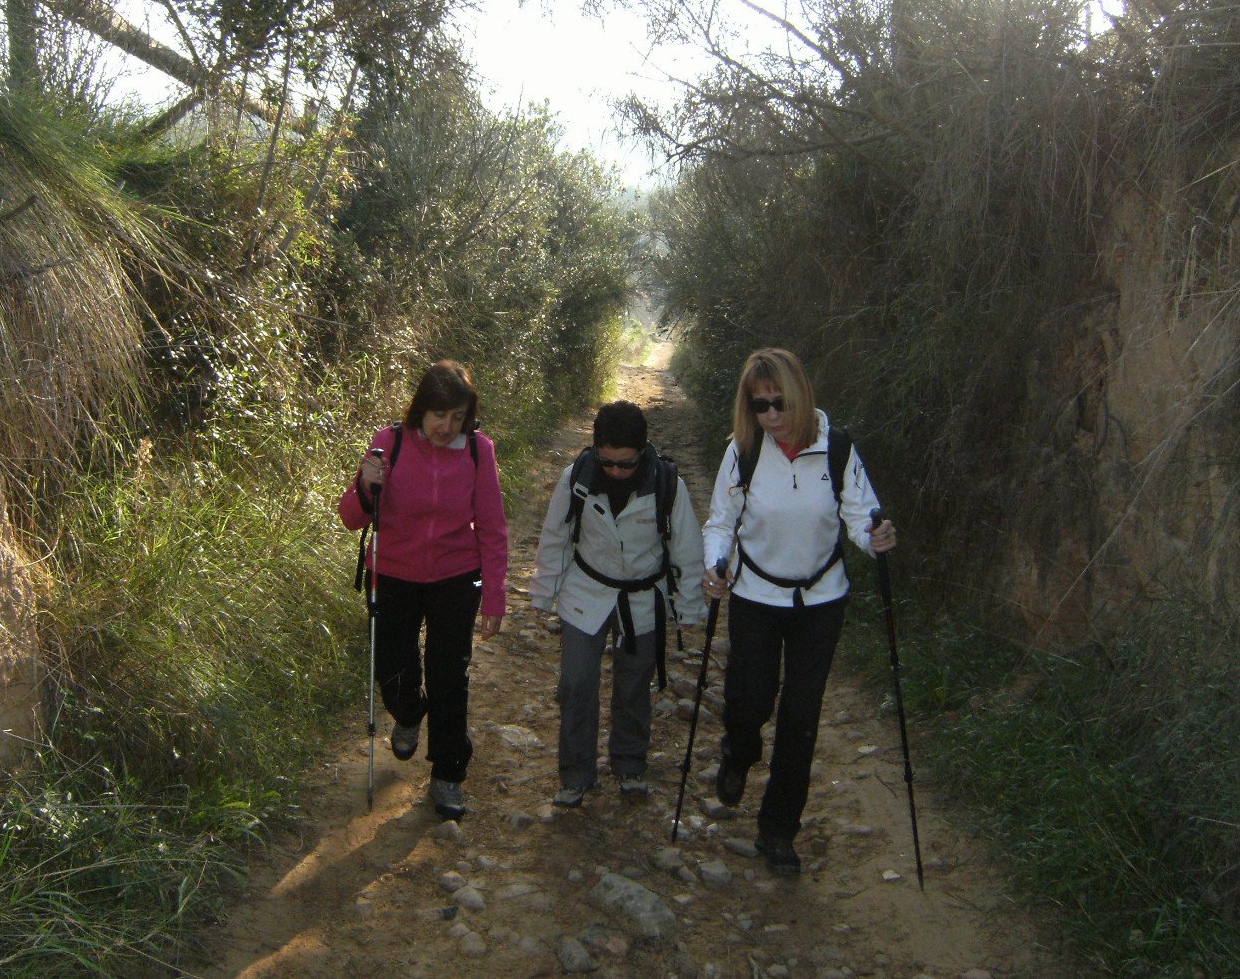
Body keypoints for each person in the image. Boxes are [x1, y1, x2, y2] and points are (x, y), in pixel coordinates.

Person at [701, 348, 896, 875]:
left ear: (800, 394)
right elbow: (721, 521)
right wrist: (715, 563)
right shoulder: (743, 452)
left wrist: (874, 537)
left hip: (821, 601)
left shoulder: (837, 449)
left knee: (801, 719)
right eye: (758, 405)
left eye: (779, 402)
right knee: (750, 700)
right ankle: (738, 751)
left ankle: (779, 830)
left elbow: (859, 515)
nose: (771, 414)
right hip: (755, 597)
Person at [338, 360, 509, 820]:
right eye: (439, 415)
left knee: (450, 675)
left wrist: (494, 594)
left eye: (457, 417)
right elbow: (352, 517)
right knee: (394, 670)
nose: (446, 426)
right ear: (421, 409)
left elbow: (492, 527)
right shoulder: (388, 442)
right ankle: (409, 712)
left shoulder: (478, 451)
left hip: (457, 577)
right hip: (394, 573)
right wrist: (363, 485)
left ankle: (449, 774)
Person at [530, 400, 706, 807]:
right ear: (595, 451)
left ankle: (629, 765)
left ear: (642, 452)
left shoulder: (667, 485)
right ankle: (576, 774)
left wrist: (689, 608)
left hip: (644, 598)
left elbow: (686, 549)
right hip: (585, 592)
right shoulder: (576, 478)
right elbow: (555, 538)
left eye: (625, 464)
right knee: (576, 682)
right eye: (607, 462)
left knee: (633, 685)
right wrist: (543, 593)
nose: (615, 472)